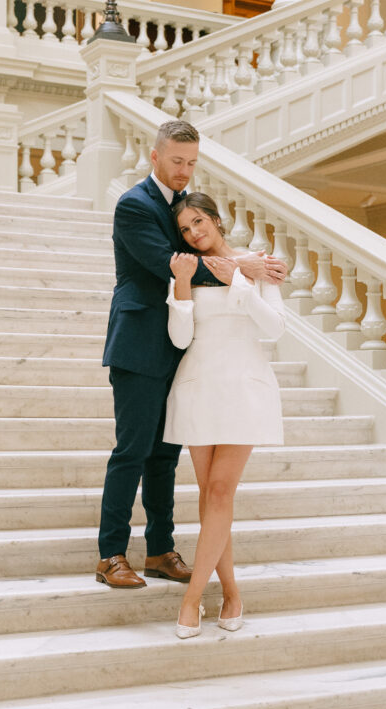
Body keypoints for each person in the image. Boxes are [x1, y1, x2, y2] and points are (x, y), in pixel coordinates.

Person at [96, 120, 287, 589]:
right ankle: (111, 554)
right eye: (176, 161)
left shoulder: (183, 209)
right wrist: (245, 264)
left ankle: (161, 549)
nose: (184, 171)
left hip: (181, 349)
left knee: (164, 456)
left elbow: (196, 259)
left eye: (192, 163)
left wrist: (246, 266)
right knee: (132, 450)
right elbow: (171, 266)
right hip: (139, 343)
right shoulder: (134, 205)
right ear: (155, 157)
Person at [165, 191, 286, 638]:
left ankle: (192, 599)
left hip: (244, 388)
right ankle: (232, 593)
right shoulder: (185, 269)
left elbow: (274, 327)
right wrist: (180, 285)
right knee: (213, 501)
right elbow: (180, 339)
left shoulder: (256, 265)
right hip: (198, 387)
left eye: (199, 222)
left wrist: (238, 280)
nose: (195, 233)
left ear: (216, 219)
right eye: (186, 229)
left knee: (218, 493)